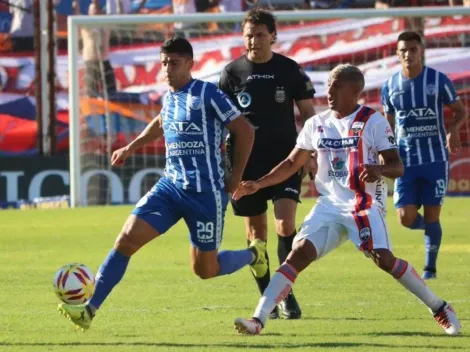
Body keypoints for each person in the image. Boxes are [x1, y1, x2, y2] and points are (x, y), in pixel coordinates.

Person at [232, 64, 461, 336]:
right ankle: (258, 320)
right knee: (298, 253)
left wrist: (378, 170)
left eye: (337, 85)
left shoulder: (373, 121)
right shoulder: (316, 124)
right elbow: (292, 163)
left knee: (384, 259)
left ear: (354, 91)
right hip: (329, 205)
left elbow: (397, 166)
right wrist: (258, 183)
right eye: (328, 84)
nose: (329, 90)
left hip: (363, 203)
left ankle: (440, 307)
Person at [57, 37, 268, 331]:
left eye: (175, 63)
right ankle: (89, 310)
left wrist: (233, 178)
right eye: (164, 63)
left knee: (205, 270)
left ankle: (254, 254)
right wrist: (131, 147)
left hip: (205, 193)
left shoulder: (208, 94)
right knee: (125, 240)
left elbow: (244, 130)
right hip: (169, 188)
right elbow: (160, 122)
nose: (168, 69)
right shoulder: (169, 97)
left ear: (190, 64)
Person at [218, 8, 315, 320]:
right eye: (249, 34)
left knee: (286, 224)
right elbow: (221, 122)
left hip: (285, 160)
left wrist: (312, 151)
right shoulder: (231, 73)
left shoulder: (289, 70)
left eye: (260, 34)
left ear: (273, 36)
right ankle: (267, 297)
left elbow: (309, 116)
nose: (254, 40)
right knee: (256, 238)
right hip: (245, 164)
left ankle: (283, 293)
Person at [382, 31, 467, 280]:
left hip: (435, 160)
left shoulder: (439, 80)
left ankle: (430, 269)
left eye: (413, 49)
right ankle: (430, 229)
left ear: (421, 51)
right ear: (397, 54)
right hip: (405, 162)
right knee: (405, 218)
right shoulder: (390, 86)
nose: (408, 54)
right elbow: (387, 125)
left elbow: (459, 111)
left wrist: (452, 129)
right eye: (403, 50)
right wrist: (384, 152)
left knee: (433, 213)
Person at [74, 0, 117, 97]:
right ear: (89, 12)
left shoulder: (106, 23)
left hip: (104, 59)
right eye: (92, 10)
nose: (94, 11)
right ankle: (92, 109)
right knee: (92, 90)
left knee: (111, 90)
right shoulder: (85, 24)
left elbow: (109, 10)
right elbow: (76, 12)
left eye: (96, 9)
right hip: (91, 61)